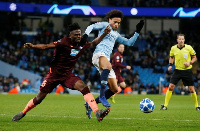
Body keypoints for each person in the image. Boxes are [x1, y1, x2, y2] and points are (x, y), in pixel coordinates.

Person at [12, 23, 111, 122]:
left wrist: (104, 34)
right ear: (70, 35)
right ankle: (23, 112)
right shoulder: (63, 42)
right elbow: (46, 46)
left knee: (84, 88)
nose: (78, 36)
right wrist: (33, 46)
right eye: (76, 34)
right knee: (39, 98)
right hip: (53, 75)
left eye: (79, 34)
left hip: (67, 75)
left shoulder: (82, 44)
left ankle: (97, 112)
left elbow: (93, 43)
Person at [84, 9, 144, 118]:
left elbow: (129, 43)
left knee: (114, 89)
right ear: (109, 19)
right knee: (108, 66)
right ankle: (102, 96)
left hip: (105, 59)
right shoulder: (104, 25)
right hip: (98, 54)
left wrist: (137, 32)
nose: (116, 24)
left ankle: (90, 104)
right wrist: (85, 35)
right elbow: (91, 26)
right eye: (115, 22)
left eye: (119, 23)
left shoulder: (116, 35)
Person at [160, 33, 200, 111]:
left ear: (184, 40)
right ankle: (165, 105)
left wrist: (190, 63)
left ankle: (197, 106)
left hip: (187, 71)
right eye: (180, 39)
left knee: (191, 89)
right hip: (177, 71)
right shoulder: (173, 48)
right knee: (171, 86)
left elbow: (194, 57)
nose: (181, 40)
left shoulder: (189, 48)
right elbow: (171, 57)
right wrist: (170, 65)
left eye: (182, 39)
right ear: (177, 40)